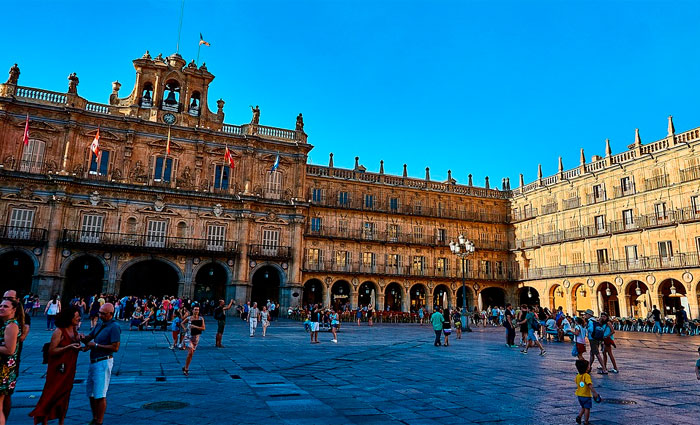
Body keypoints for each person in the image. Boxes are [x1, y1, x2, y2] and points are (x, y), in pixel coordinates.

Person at [29, 306, 82, 425]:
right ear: (69, 318)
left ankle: (61, 421)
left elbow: (75, 345)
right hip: (58, 369)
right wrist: (68, 347)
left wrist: (81, 343)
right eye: (77, 316)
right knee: (52, 393)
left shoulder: (74, 330)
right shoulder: (58, 331)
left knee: (65, 395)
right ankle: (44, 420)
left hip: (70, 368)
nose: (79, 318)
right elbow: (52, 351)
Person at [81, 303, 120, 425]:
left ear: (111, 314)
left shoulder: (114, 327)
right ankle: (95, 417)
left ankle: (99, 421)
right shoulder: (99, 324)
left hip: (103, 361)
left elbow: (115, 347)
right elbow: (89, 337)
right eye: (100, 312)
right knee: (91, 393)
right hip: (93, 361)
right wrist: (81, 337)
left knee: (100, 393)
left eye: (103, 313)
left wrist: (96, 345)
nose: (100, 315)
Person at [0, 299, 22, 425]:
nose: (1, 308)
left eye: (6, 306)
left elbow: (10, 349)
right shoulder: (7, 324)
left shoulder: (11, 326)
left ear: (13, 310)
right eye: (1, 305)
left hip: (4, 370)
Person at [575, 359, 600, 425]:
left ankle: (579, 416)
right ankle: (586, 421)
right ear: (586, 368)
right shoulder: (586, 376)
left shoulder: (578, 376)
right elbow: (589, 385)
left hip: (579, 395)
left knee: (583, 407)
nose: (589, 367)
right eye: (588, 366)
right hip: (586, 395)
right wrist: (594, 393)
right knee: (587, 409)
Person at [181, 305, 204, 376]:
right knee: (190, 351)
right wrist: (184, 328)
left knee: (191, 354)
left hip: (196, 338)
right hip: (188, 337)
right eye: (195, 309)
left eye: (197, 310)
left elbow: (203, 328)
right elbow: (182, 323)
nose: (196, 311)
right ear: (192, 310)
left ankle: (185, 366)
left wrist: (195, 326)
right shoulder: (189, 318)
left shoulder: (201, 318)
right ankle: (186, 369)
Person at [584, 309, 607, 374]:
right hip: (597, 338)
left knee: (597, 354)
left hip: (592, 339)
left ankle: (604, 369)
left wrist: (587, 328)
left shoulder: (590, 321)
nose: (585, 315)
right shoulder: (595, 320)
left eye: (586, 314)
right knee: (592, 353)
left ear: (589, 315)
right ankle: (589, 368)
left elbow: (591, 329)